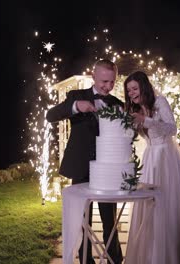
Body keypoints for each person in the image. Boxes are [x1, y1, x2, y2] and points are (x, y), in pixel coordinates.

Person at [124, 71, 180, 264]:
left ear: (143, 86)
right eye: (128, 90)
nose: (131, 93)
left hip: (165, 158)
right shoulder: (137, 108)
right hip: (150, 157)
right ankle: (149, 256)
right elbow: (145, 136)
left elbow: (172, 128)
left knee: (166, 204)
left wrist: (146, 120)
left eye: (134, 88)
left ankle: (170, 256)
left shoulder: (160, 102)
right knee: (149, 206)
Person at [46, 59, 123, 264]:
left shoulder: (117, 104)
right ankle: (86, 260)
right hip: (81, 167)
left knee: (110, 220)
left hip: (107, 171)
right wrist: (75, 107)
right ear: (93, 76)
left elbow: (126, 137)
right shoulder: (76, 96)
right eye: (104, 81)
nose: (108, 86)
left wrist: (125, 124)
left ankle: (114, 259)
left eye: (112, 82)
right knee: (83, 220)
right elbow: (50, 115)